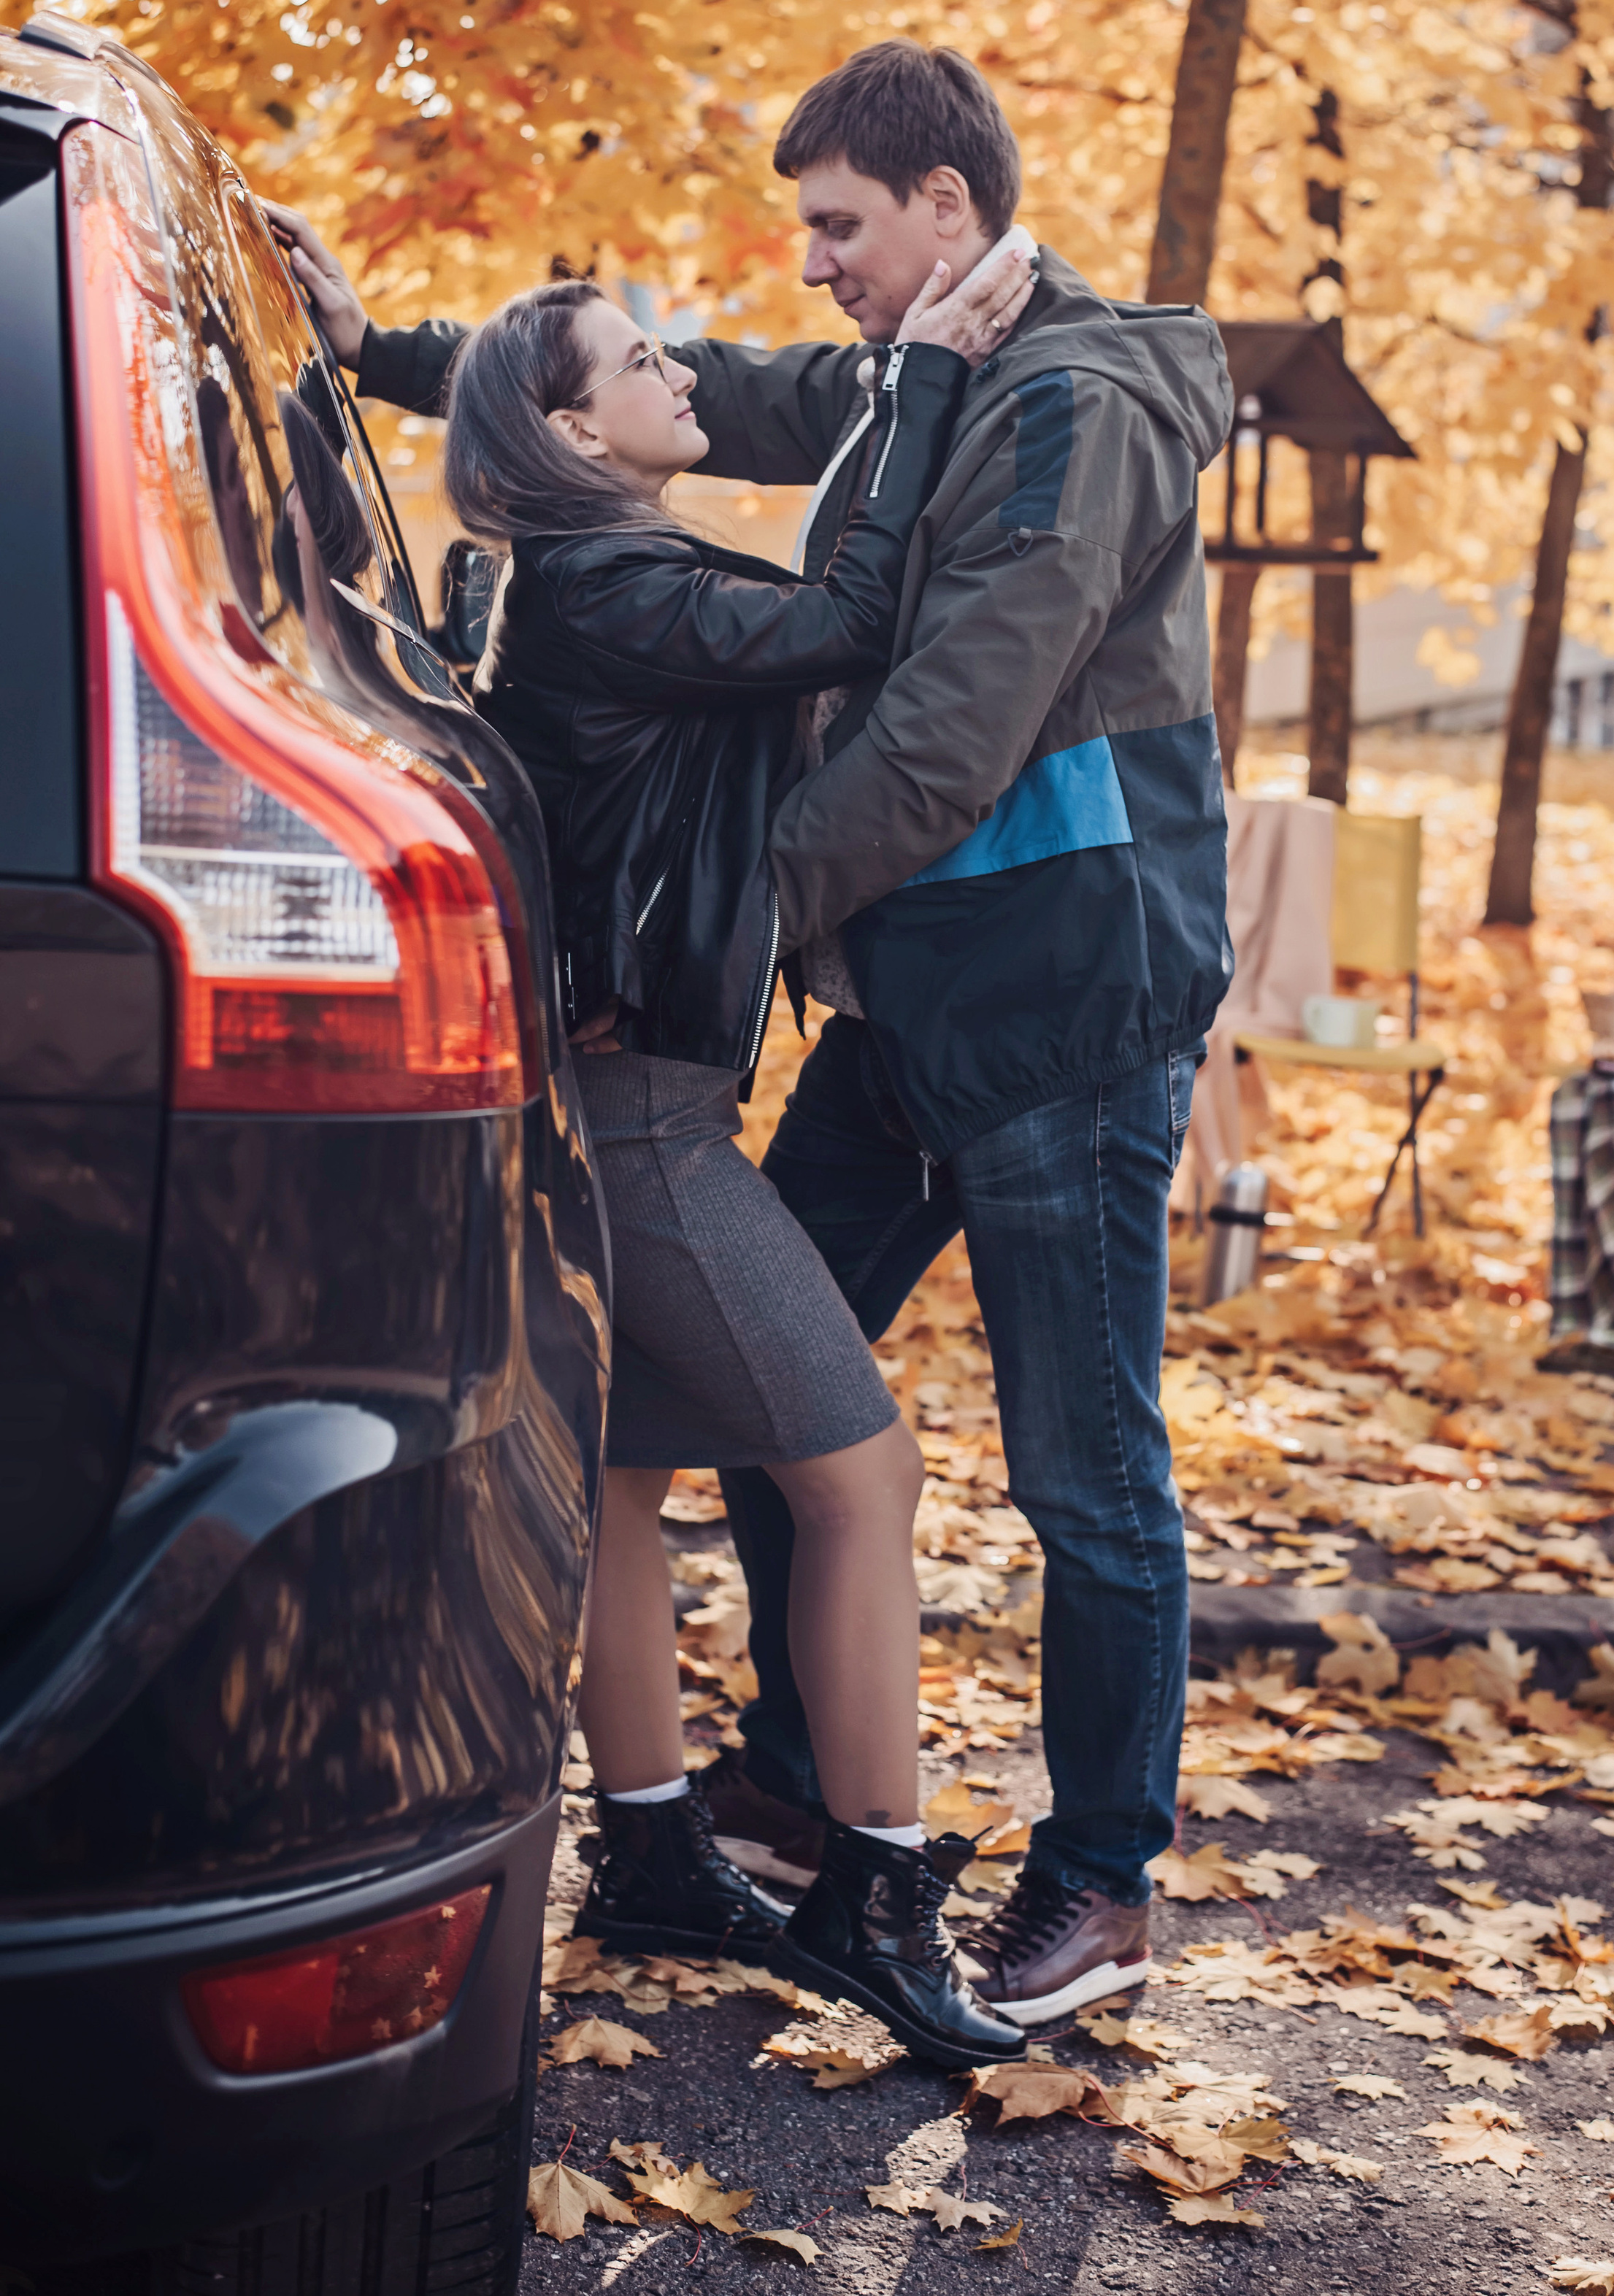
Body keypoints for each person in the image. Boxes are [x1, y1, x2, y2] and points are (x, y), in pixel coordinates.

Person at [264, 36, 1234, 2027]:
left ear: (944, 210)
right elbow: (668, 391)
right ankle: (785, 1796)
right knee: (749, 1406)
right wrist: (387, 351)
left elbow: (951, 718)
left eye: (838, 226)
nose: (810, 267)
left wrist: (723, 927)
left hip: (1057, 997)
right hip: (901, 1006)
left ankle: (1100, 1879)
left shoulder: (1070, 401)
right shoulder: (909, 376)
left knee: (1084, 1471)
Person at [434, 258, 1034, 2068]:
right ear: (564, 429)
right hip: (646, 1128)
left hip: (618, 1099)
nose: (675, 365)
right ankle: (875, 1889)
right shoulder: (608, 581)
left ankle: (649, 1850)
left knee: (622, 1484)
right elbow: (848, 621)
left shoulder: (605, 578)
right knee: (861, 1479)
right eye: (637, 360)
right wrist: (918, 373)